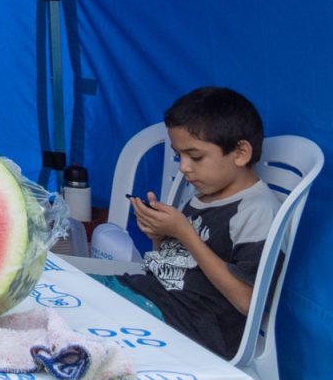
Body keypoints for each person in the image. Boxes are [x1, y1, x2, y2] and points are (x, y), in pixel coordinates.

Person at [102, 87, 278, 359]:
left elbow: (248, 301)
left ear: (241, 153)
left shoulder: (257, 210)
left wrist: (185, 232)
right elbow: (173, 266)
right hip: (152, 296)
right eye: (179, 156)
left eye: (195, 157)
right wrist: (158, 233)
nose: (184, 167)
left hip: (192, 327)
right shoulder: (201, 197)